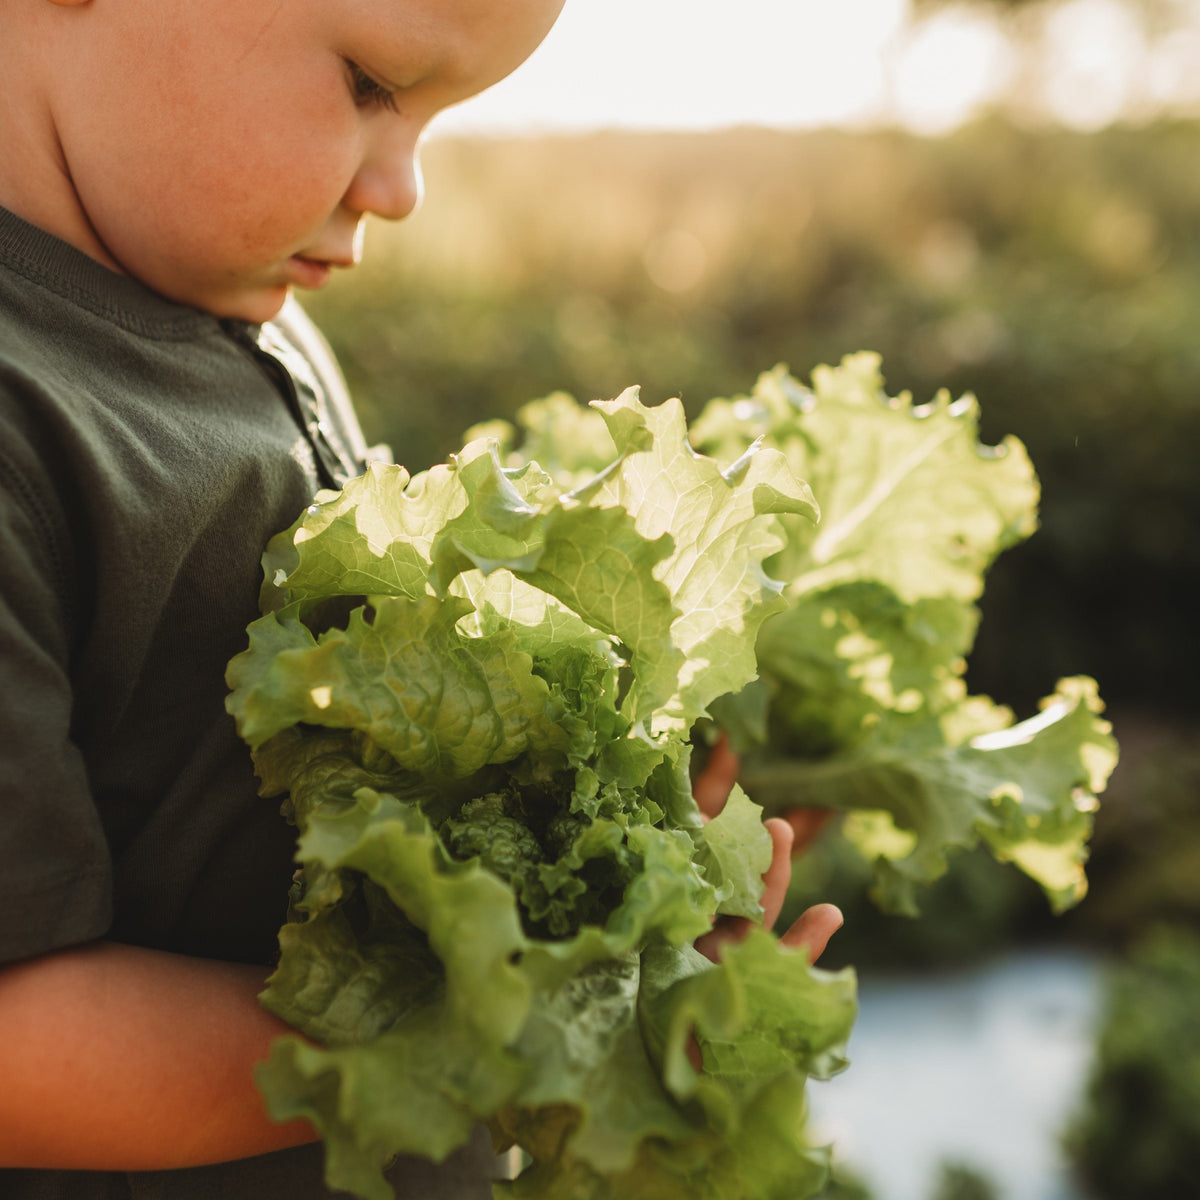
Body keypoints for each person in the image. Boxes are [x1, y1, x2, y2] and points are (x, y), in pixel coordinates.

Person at [0, 1, 842, 1196]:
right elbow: (17, 1050)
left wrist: (619, 880)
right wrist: (490, 1035)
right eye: (369, 85)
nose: (403, 189)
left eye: (442, 119)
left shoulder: (254, 309)